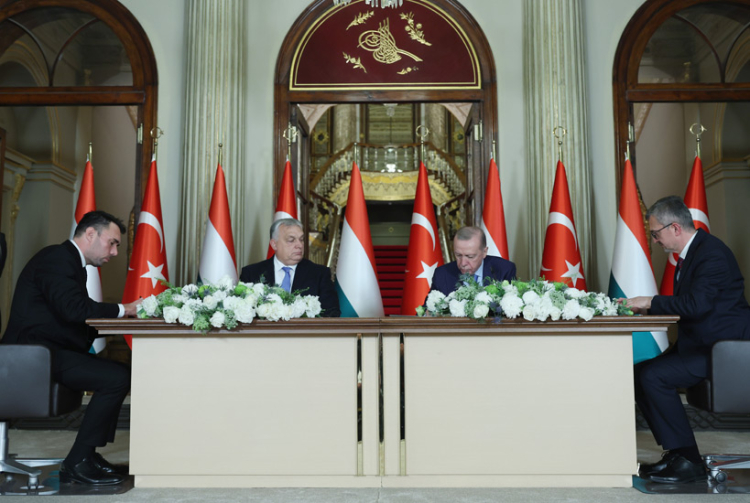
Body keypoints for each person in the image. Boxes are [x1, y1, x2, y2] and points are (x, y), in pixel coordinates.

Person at [2, 211, 142, 486]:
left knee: (118, 373)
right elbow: (73, 309)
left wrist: (120, 320)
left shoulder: (69, 262)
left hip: (46, 353)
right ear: (90, 234)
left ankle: (87, 456)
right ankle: (78, 461)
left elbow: (70, 317)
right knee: (116, 377)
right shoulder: (56, 258)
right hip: (30, 358)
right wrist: (123, 310)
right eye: (112, 243)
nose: (115, 252)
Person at [625, 196, 750, 484]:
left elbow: (697, 305)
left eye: (656, 233)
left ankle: (689, 461)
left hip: (724, 352)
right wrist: (648, 308)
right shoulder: (694, 253)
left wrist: (650, 302)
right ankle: (678, 454)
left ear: (675, 228)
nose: (654, 240)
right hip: (703, 345)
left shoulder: (711, 254)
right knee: (639, 373)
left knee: (654, 376)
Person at [240, 218, 340, 317]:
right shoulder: (251, 274)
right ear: (274, 244)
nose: (299, 245)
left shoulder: (320, 274)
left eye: (301, 239)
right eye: (291, 240)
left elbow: (332, 313)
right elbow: (242, 312)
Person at [429, 226, 516, 296]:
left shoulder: (504, 270)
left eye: (470, 256)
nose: (463, 263)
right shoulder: (442, 274)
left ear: (484, 252)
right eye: (458, 255)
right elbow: (427, 310)